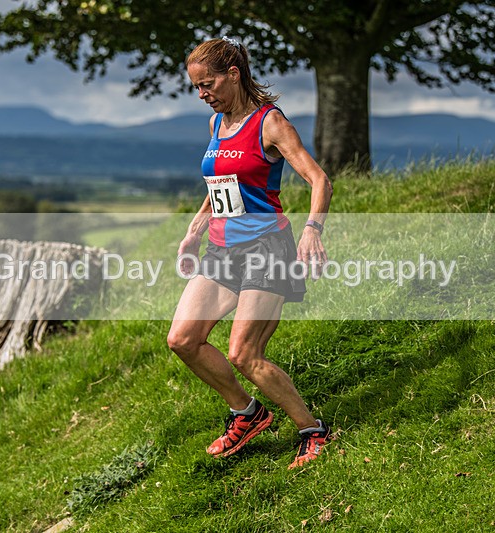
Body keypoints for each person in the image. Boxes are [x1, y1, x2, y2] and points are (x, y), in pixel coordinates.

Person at [167, 37, 333, 469]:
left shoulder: (269, 123)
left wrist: (312, 229)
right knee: (182, 339)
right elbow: (220, 184)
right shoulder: (216, 124)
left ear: (233, 74)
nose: (202, 94)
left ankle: (313, 430)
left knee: (244, 354)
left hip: (266, 247)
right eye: (196, 87)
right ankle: (247, 412)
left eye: (207, 84)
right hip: (222, 249)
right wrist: (194, 230)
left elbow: (319, 180)